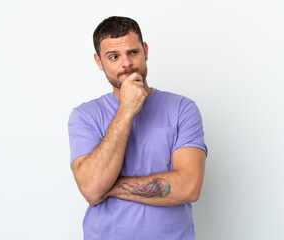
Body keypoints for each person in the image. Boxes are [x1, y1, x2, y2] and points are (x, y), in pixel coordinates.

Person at [68, 16, 207, 240]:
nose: (126, 64)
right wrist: (126, 109)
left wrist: (108, 187)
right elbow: (91, 187)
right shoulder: (85, 116)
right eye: (114, 57)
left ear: (145, 51)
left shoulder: (182, 108)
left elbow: (189, 187)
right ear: (99, 62)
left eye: (133, 52)